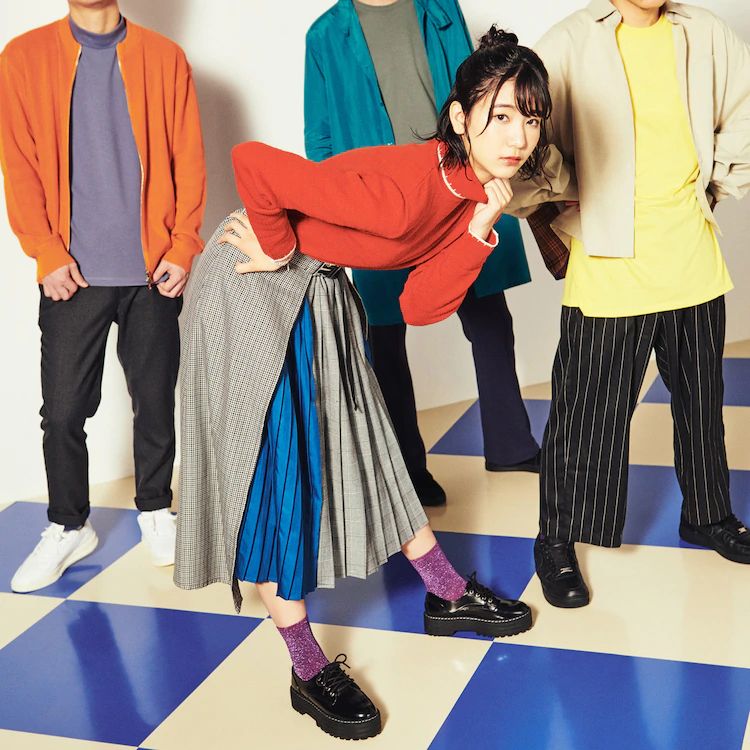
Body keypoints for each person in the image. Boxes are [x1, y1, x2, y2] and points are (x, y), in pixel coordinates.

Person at [175, 28, 548, 740]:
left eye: (531, 119)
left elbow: (419, 306)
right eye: (501, 115)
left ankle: (444, 593)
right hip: (255, 280)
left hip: (318, 287)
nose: (518, 136)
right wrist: (278, 245)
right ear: (460, 116)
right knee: (280, 467)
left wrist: (481, 227)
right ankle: (305, 665)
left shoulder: (469, 192)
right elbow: (253, 162)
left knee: (366, 438)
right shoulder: (406, 191)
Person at [514, 0, 750, 609]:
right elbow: (523, 141)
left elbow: (744, 114)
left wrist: (714, 189)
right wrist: (559, 205)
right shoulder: (567, 42)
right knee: (586, 411)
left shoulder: (706, 33)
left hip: (690, 254)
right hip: (609, 258)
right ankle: (556, 540)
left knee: (701, 400)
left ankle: (708, 514)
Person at [0, 0, 206, 593]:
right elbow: (19, 166)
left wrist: (182, 246)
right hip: (72, 272)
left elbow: (189, 158)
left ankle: (156, 510)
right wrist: (45, 252)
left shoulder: (166, 58)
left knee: (155, 399)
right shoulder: (23, 57)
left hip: (152, 272)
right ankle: (69, 525)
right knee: (63, 411)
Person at [304, 0, 541, 508]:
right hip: (381, 205)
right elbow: (320, 139)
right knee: (385, 338)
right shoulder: (324, 35)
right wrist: (336, 207)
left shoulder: (439, 9)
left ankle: (510, 446)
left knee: (489, 318)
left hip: (456, 187)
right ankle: (409, 471)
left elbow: (479, 93)